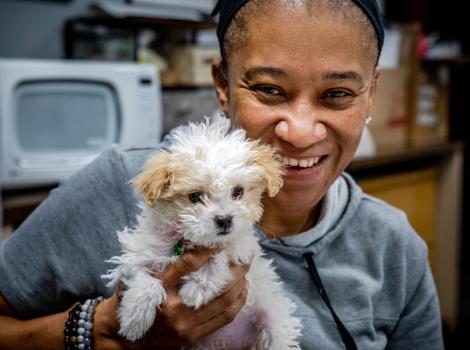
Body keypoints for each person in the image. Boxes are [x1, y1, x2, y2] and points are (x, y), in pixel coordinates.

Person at [0, 0, 444, 349]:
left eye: (338, 93)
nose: (301, 132)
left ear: (371, 96)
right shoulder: (120, 185)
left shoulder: (393, 246)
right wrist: (98, 332)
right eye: (269, 89)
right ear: (222, 85)